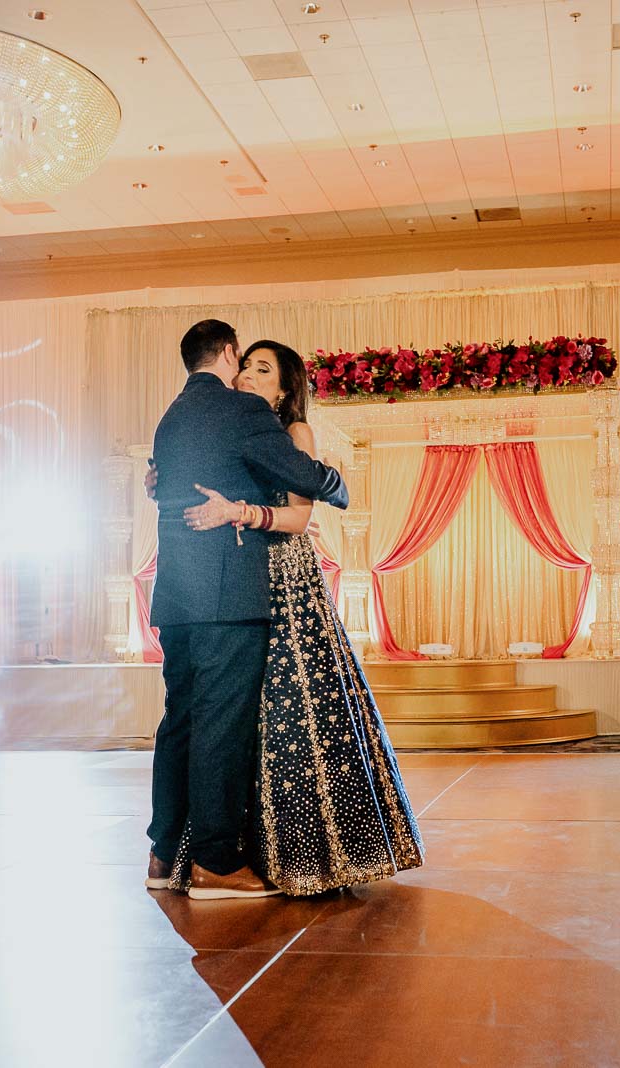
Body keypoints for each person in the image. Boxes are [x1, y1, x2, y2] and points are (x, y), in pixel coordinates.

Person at [176, 340, 423, 895]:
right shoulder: (234, 427)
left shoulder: (294, 435)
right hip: (237, 577)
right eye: (243, 367)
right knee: (235, 714)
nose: (245, 377)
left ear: (286, 388)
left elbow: (299, 516)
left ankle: (311, 852)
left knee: (295, 711)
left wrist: (240, 512)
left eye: (262, 370)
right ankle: (232, 849)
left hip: (285, 580)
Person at [146, 319, 351, 901]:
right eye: (247, 362)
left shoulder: (172, 416)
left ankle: (164, 856)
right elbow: (303, 478)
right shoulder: (242, 412)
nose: (248, 373)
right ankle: (214, 862)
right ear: (230, 354)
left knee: (179, 721)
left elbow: (162, 486)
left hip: (179, 594)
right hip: (227, 591)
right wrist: (338, 484)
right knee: (219, 725)